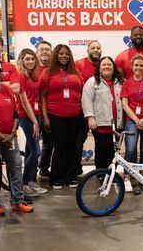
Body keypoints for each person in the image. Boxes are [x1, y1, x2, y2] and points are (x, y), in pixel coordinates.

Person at [0, 61, 34, 215]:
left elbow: (15, 114)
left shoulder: (6, 89)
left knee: (16, 167)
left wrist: (12, 133)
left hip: (10, 137)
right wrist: (0, 136)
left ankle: (18, 201)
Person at [40, 44, 84, 189]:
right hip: (55, 115)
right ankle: (57, 177)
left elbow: (81, 92)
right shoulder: (47, 73)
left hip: (75, 115)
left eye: (66, 54)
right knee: (59, 147)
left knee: (73, 147)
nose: (64, 56)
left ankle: (71, 176)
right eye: (61, 53)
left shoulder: (76, 72)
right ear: (55, 55)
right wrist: (45, 117)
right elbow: (43, 96)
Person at [120, 55, 143, 193]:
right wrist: (136, 120)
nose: (138, 68)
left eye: (141, 65)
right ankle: (127, 177)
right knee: (130, 149)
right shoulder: (127, 83)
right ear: (132, 66)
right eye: (136, 65)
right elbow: (124, 104)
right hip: (132, 121)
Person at [82, 56, 124, 169]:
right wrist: (90, 117)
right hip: (101, 123)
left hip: (118, 124)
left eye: (109, 64)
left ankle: (111, 175)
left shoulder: (121, 81)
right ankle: (101, 173)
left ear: (114, 67)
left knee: (114, 151)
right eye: (104, 65)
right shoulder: (92, 82)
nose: (107, 67)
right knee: (101, 149)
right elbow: (86, 100)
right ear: (99, 68)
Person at [16, 48, 47, 197]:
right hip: (27, 117)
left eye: (32, 59)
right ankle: (24, 184)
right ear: (21, 60)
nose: (30, 61)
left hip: (37, 115)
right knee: (36, 151)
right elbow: (23, 100)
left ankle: (30, 182)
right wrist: (34, 121)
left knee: (30, 150)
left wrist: (38, 117)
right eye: (27, 59)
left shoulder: (33, 76)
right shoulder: (21, 75)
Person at [75, 41, 103, 175]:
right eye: (93, 48)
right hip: (81, 111)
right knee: (78, 141)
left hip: (100, 112)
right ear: (87, 50)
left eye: (98, 48)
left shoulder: (105, 65)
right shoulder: (78, 64)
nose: (96, 50)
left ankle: (100, 171)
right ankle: (75, 169)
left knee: (101, 143)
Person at [36, 40, 53, 180]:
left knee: (48, 143)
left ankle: (43, 168)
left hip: (49, 113)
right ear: (37, 52)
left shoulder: (53, 70)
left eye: (47, 49)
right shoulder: (31, 68)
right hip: (33, 114)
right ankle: (30, 174)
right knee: (34, 146)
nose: (45, 52)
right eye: (42, 49)